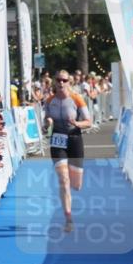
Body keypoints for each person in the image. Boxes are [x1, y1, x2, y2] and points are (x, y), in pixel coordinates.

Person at [43, 70, 92, 231]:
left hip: (74, 139)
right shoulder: (49, 100)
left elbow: (88, 121)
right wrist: (47, 123)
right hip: (57, 140)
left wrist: (78, 124)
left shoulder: (77, 98)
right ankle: (68, 218)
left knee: (76, 185)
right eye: (58, 80)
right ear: (55, 82)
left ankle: (72, 190)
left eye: (64, 80)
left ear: (69, 82)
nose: (61, 83)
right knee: (64, 180)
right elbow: (46, 121)